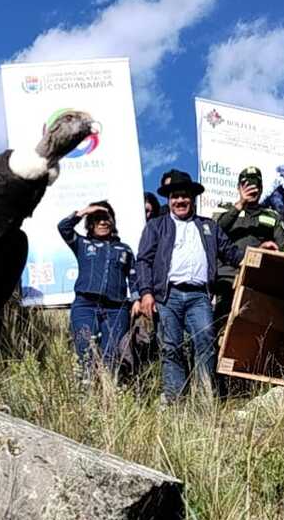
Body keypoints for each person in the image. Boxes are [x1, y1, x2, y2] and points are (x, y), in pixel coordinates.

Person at [136, 169, 242, 405]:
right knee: (171, 345)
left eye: (184, 196)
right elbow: (143, 260)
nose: (180, 200)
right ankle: (175, 399)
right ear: (169, 200)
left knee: (205, 340)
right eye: (175, 196)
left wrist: (260, 253)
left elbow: (233, 254)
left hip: (199, 297)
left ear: (192, 198)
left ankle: (205, 397)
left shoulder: (209, 227)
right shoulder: (156, 226)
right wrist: (145, 293)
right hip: (168, 295)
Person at [58, 200, 138, 380]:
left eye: (107, 218)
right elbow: (63, 228)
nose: (103, 222)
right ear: (90, 223)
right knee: (85, 351)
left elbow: (134, 278)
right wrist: (84, 211)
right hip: (85, 306)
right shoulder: (82, 243)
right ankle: (86, 399)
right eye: (98, 218)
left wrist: (137, 300)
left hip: (116, 309)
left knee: (112, 355)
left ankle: (109, 398)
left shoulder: (124, 249)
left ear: (113, 222)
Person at [212, 167, 284, 326]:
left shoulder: (271, 216)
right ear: (239, 188)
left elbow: (283, 247)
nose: (252, 189)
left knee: (253, 327)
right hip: (227, 280)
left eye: (256, 185)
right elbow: (214, 232)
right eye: (246, 185)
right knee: (223, 326)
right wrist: (241, 203)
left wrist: (267, 250)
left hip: (258, 280)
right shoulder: (225, 211)